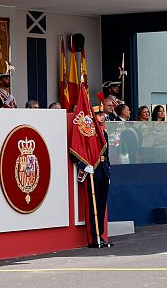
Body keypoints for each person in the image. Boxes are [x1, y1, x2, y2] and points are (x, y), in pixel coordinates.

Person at [72, 105, 112, 248]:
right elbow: (75, 150)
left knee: (101, 205)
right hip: (92, 171)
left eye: (102, 114)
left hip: (103, 171)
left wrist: (108, 172)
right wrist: (83, 166)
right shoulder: (87, 133)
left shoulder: (104, 133)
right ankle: (93, 238)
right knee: (92, 206)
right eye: (98, 114)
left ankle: (100, 234)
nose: (102, 117)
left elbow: (106, 156)